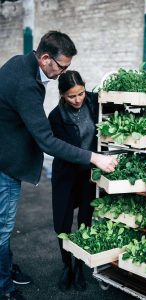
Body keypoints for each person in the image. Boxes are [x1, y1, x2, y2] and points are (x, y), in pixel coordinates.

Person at [0, 31, 117, 300]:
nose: (63, 72)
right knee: (4, 228)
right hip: (7, 164)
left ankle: (6, 266)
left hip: (11, 156)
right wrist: (95, 157)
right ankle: (5, 287)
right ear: (45, 58)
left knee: (5, 227)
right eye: (62, 67)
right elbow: (47, 142)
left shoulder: (18, 62)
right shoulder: (28, 86)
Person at [48, 71, 99, 292]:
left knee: (86, 220)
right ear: (62, 95)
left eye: (80, 93)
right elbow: (60, 149)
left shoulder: (95, 103)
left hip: (88, 175)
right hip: (65, 174)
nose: (77, 99)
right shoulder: (56, 116)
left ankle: (79, 265)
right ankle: (66, 266)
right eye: (71, 96)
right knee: (62, 222)